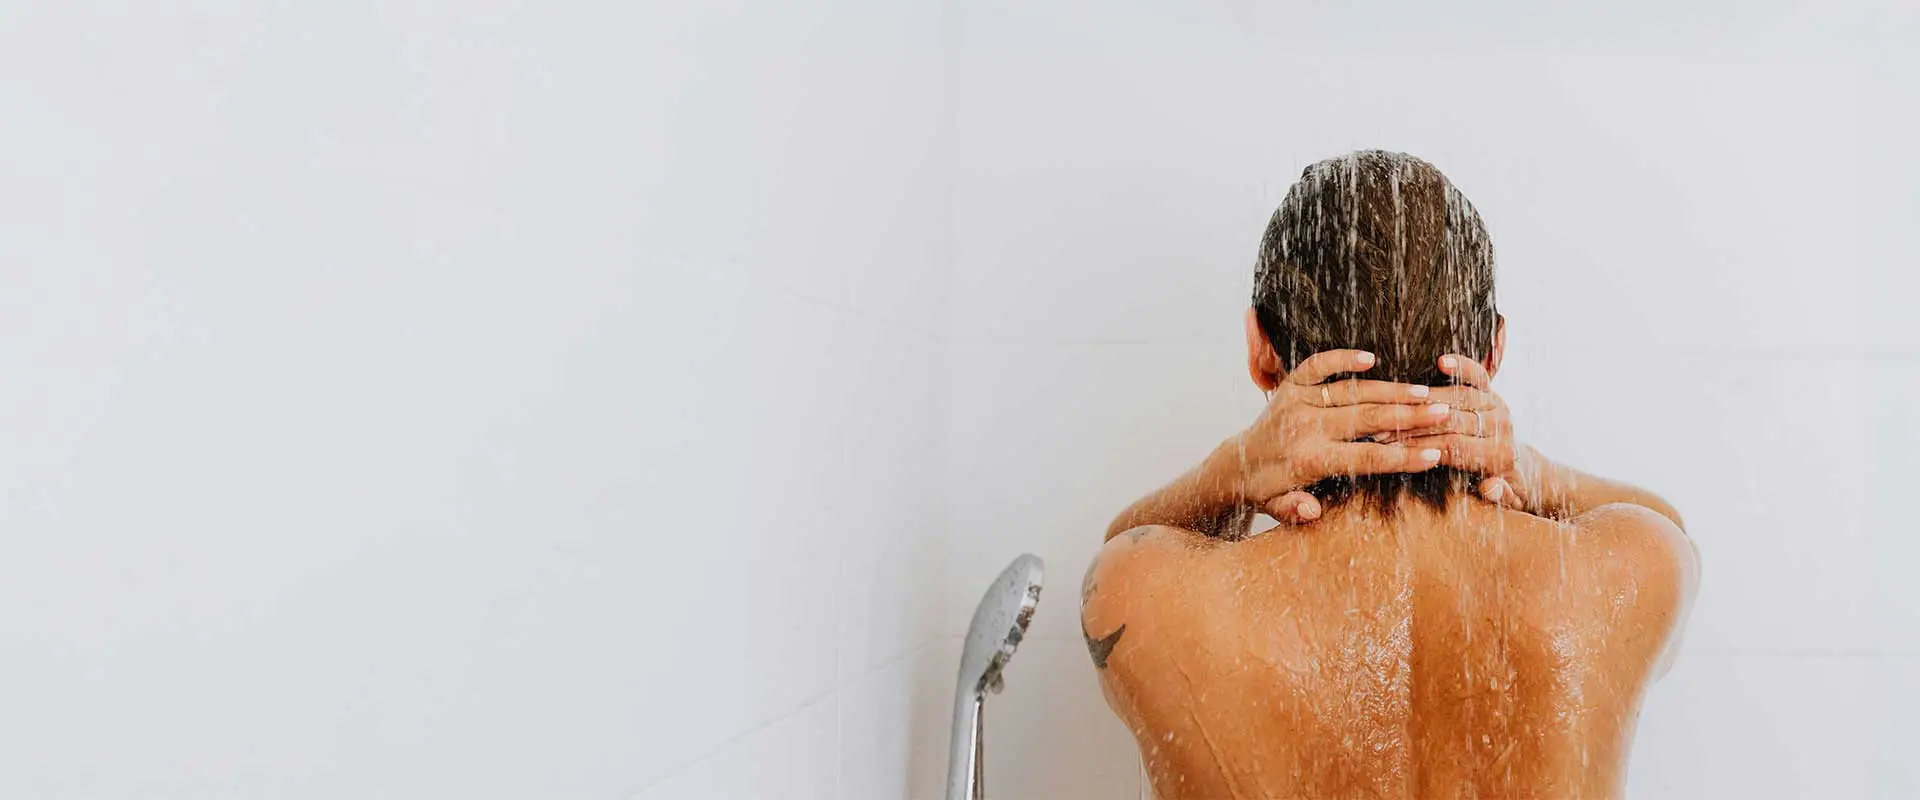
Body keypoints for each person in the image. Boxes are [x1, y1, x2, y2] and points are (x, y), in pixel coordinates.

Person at [1079, 151, 1698, 799]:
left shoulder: (1149, 592)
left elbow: (1120, 554)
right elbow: (1673, 533)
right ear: (1494, 352)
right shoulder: (1631, 568)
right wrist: (1536, 475)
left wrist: (1230, 472)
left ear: (1261, 352)